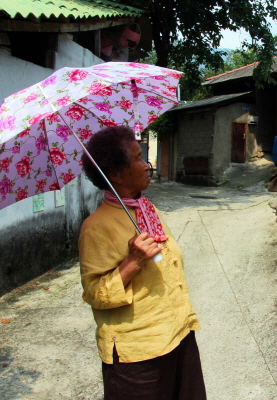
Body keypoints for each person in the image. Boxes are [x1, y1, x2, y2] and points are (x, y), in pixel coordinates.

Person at [78, 126, 206, 400]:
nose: (148, 165)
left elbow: (166, 263)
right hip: (139, 354)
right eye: (138, 158)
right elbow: (95, 294)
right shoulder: (96, 228)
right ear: (115, 174)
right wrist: (132, 262)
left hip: (178, 335)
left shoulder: (146, 210)